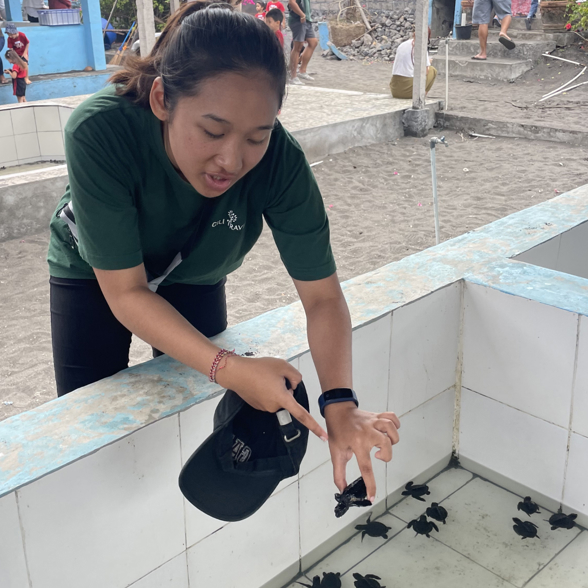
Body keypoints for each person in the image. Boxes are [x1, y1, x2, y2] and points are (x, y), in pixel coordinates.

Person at [46, 3, 400, 503]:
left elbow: (323, 298)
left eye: (257, 136)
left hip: (195, 270)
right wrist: (230, 366)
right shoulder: (99, 131)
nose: (231, 161)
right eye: (212, 132)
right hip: (96, 272)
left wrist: (339, 403)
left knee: (198, 389)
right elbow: (125, 293)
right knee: (90, 416)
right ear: (162, 98)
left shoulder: (281, 162)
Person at [390, 30, 437, 99]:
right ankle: (421, 97)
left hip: (394, 89)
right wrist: (428, 63)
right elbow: (425, 72)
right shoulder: (421, 47)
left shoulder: (402, 45)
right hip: (407, 91)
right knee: (432, 70)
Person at [288, 0, 316, 84]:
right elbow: (292, 2)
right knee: (297, 47)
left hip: (306, 20)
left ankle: (302, 71)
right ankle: (293, 76)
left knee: (313, 42)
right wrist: (302, 15)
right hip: (298, 19)